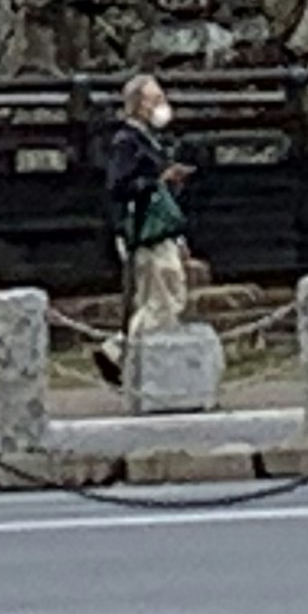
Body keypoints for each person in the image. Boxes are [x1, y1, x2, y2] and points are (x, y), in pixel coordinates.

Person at [95, 74, 193, 384]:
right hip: (145, 231)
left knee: (163, 292)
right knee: (162, 295)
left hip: (159, 228)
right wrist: (157, 181)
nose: (161, 105)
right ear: (138, 104)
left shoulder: (148, 140)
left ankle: (130, 354)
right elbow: (119, 185)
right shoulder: (127, 142)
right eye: (155, 99)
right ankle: (121, 351)